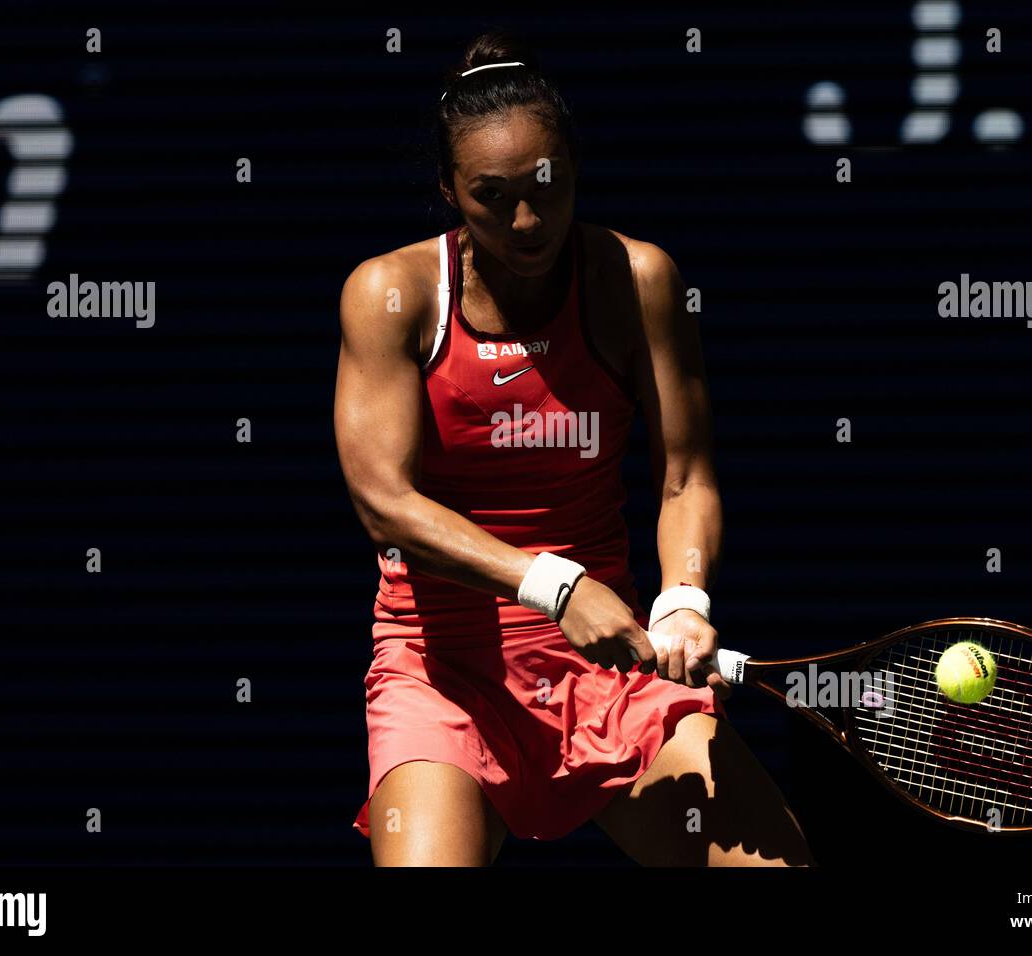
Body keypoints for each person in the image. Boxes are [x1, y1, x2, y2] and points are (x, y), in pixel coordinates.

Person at [334, 30, 815, 866]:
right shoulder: (392, 294)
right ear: (449, 190)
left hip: (614, 675)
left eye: (545, 187)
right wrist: (553, 585)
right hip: (443, 671)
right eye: (492, 195)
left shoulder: (638, 281)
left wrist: (684, 601)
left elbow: (685, 475)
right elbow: (386, 504)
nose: (527, 220)